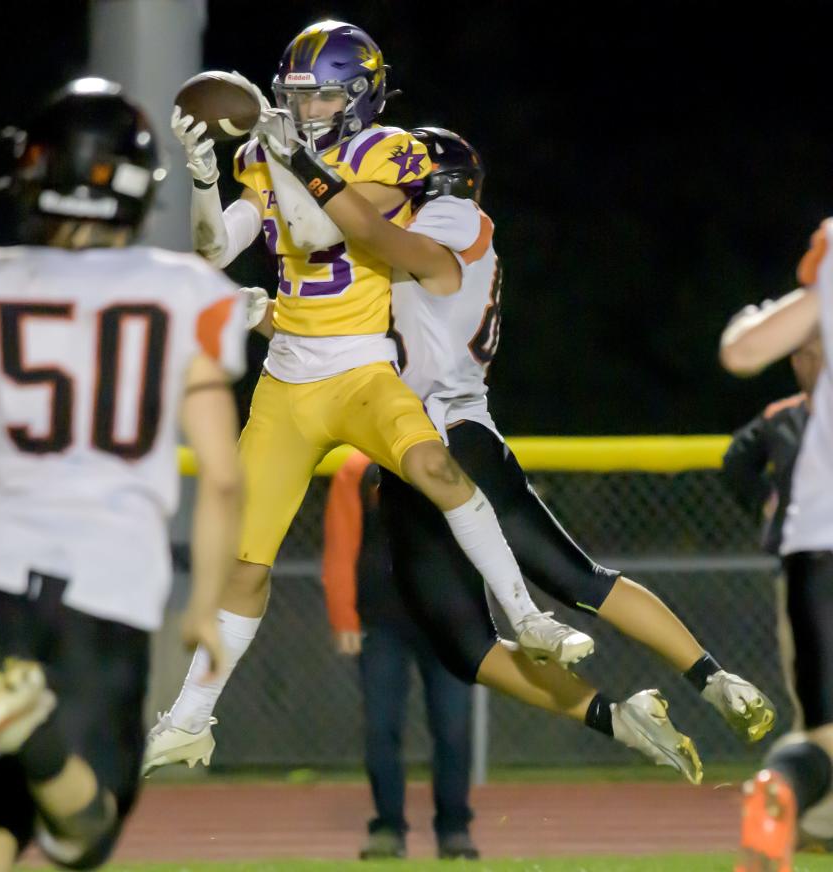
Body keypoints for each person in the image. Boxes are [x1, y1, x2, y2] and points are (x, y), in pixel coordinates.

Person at [145, 19, 595, 776]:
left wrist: (294, 159)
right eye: (293, 97)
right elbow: (212, 249)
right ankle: (191, 719)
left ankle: (528, 616)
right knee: (246, 565)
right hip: (286, 379)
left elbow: (321, 230)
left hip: (360, 367)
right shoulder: (265, 153)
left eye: (317, 98)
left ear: (358, 98)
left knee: (437, 470)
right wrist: (201, 178)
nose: (304, 109)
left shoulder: (391, 151)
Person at [267, 123, 775, 753]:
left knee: (574, 579)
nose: (382, 184)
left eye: (396, 176)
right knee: (462, 644)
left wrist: (299, 163)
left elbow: (370, 229)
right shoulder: (404, 254)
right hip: (402, 447)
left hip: (451, 434)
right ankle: (619, 718)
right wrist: (264, 314)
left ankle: (715, 678)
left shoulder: (453, 222)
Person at [0, 78, 246, 872]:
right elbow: (219, 474)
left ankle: (21, 730)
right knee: (87, 828)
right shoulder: (182, 294)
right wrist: (206, 605)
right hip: (106, 578)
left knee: (2, 808)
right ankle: (32, 735)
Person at [721, 221, 833, 872]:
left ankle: (780, 792)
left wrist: (750, 319)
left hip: (818, 545)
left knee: (822, 738)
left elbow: (743, 352)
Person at [323, 450, 478, 860]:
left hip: (450, 624)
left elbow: (487, 542)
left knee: (453, 727)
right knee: (381, 726)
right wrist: (344, 617)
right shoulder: (358, 470)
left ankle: (454, 829)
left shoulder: (466, 462)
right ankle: (388, 827)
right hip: (381, 623)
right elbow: (341, 547)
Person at [722, 335, 822, 555]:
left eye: (822, 356)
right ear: (795, 361)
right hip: (799, 549)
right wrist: (767, 498)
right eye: (806, 356)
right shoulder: (781, 417)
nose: (815, 365)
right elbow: (736, 462)